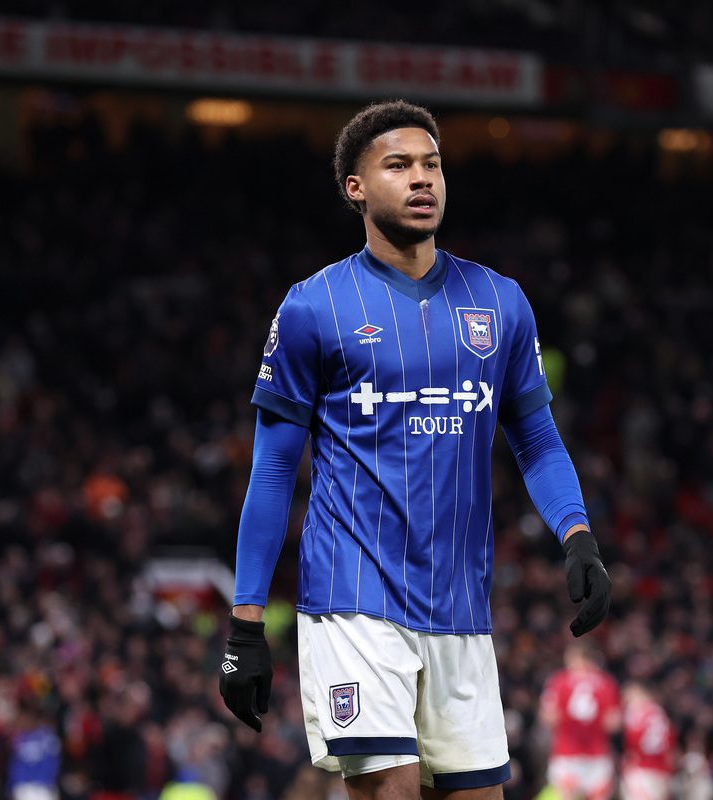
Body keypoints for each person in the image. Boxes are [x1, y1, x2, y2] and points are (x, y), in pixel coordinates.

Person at [216, 99, 611, 800]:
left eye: (432, 164)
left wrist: (577, 536)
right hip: (353, 599)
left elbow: (538, 439)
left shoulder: (501, 303)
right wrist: (246, 624)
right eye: (399, 165)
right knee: (392, 792)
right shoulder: (315, 307)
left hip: (461, 609)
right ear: (356, 188)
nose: (422, 178)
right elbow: (274, 471)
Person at [539, 643, 621, 800]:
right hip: (597, 753)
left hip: (566, 752)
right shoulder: (606, 683)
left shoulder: (559, 681)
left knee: (567, 796)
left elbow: (548, 717)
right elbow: (613, 722)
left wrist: (568, 720)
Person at [619, 682, 674, 800]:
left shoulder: (635, 712)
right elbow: (670, 741)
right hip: (661, 769)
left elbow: (631, 740)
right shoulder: (659, 713)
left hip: (640, 768)